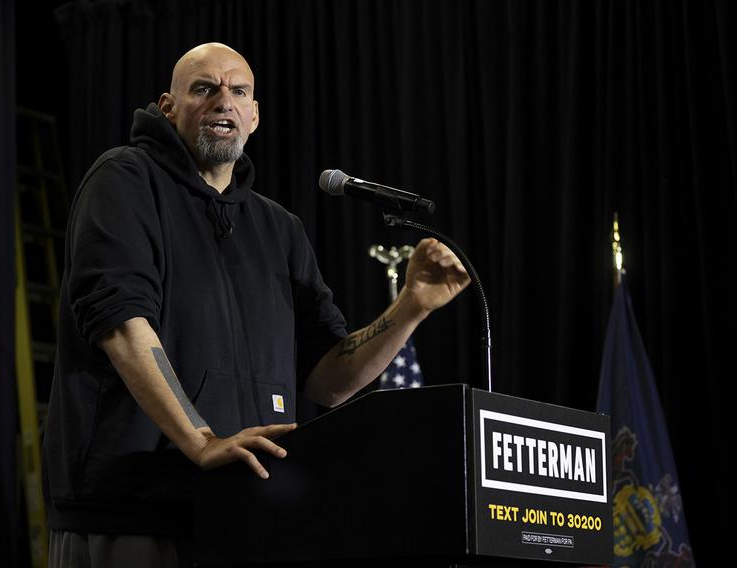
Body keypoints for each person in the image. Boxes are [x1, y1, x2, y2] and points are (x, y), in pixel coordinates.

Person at [42, 42, 470, 568]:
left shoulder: (278, 228)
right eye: (204, 88)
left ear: (254, 115)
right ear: (168, 106)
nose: (224, 100)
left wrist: (411, 307)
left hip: (249, 516)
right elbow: (123, 326)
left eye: (238, 91)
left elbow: (330, 381)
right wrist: (201, 440)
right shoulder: (125, 180)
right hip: (135, 515)